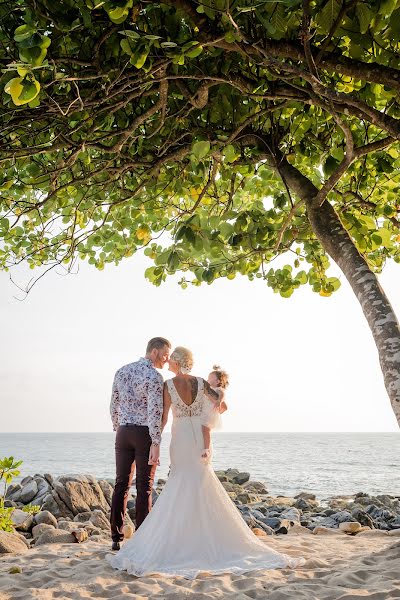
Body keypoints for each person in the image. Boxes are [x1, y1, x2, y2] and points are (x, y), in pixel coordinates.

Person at [107, 346, 303, 578]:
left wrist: (155, 442)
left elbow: (162, 417)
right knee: (201, 483)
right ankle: (203, 535)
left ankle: (160, 536)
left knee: (178, 482)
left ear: (177, 362)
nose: (168, 361)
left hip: (180, 439)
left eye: (172, 359)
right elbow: (220, 401)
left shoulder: (167, 385)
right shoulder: (201, 382)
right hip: (198, 439)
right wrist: (214, 410)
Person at [109, 337, 171, 551]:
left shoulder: (122, 371)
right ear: (154, 352)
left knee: (121, 485)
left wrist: (119, 427)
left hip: (123, 432)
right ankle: (142, 539)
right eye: (164, 354)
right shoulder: (154, 376)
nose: (166, 359)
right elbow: (155, 412)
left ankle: (116, 537)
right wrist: (156, 441)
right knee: (144, 486)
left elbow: (113, 405)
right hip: (144, 433)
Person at [201, 365, 229, 460]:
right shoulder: (209, 390)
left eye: (210, 378)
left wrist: (219, 401)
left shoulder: (218, 390)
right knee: (204, 430)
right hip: (206, 412)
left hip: (210, 413)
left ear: (217, 382)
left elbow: (222, 394)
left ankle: (206, 449)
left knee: (206, 430)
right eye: (208, 378)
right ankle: (205, 448)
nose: (208, 380)